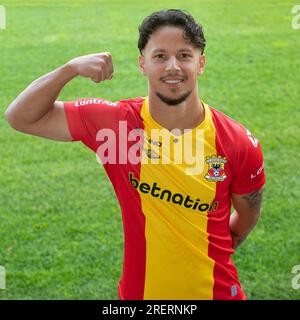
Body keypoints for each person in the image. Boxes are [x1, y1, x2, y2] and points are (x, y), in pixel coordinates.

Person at [5, 9, 266, 300]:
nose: (172, 67)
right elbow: (20, 117)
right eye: (160, 56)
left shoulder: (238, 142)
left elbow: (247, 216)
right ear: (142, 64)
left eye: (184, 55)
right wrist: (69, 69)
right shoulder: (115, 125)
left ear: (200, 63)